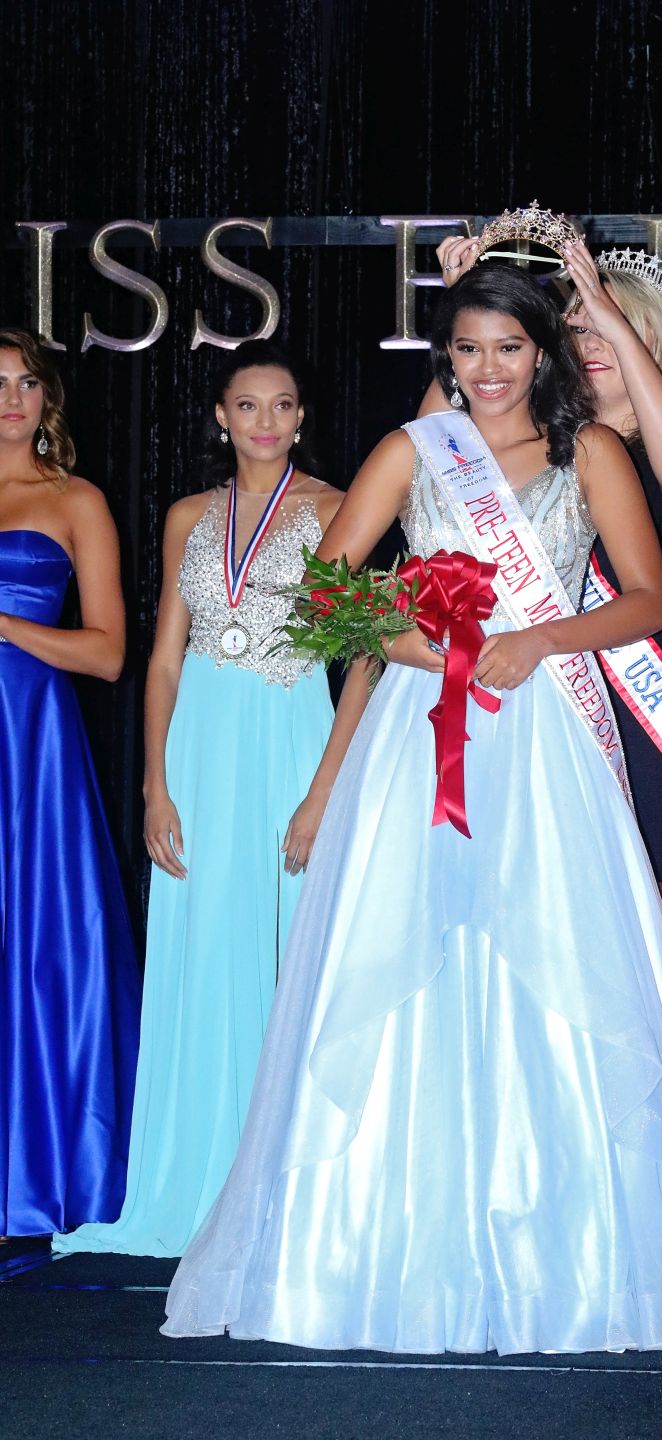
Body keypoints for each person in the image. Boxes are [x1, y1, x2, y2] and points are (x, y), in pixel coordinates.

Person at [162, 264, 662, 1353]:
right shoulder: (412, 451)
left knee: (554, 960)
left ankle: (569, 1253)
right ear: (446, 354)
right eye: (469, 349)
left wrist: (541, 638)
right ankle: (382, 1248)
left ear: (542, 353)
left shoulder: (592, 453)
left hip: (549, 735)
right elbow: (322, 593)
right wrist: (419, 649)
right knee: (410, 954)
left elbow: (650, 600)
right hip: (423, 735)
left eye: (510, 348)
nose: (489, 370)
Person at [55, 341, 343, 1259]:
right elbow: (165, 660)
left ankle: (287, 1191)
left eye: (282, 404)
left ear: (302, 417)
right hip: (201, 749)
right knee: (205, 946)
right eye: (247, 405)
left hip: (293, 735)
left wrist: (323, 791)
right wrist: (154, 782)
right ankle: (198, 1177)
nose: (266, 421)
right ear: (221, 417)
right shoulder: (188, 515)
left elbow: (367, 657)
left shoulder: (336, 507)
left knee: (290, 945)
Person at [431, 234, 662, 929]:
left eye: (614, 323)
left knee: (639, 957)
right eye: (575, 328)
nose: (593, 338)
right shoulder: (538, 448)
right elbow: (431, 463)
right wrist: (465, 305)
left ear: (654, 343)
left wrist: (607, 314)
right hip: (542, 715)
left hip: (647, 717)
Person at [0, 327, 140, 1236]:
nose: (11, 399)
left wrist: (7, 628)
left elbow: (109, 654)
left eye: (25, 383)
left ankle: (35, 1176)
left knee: (36, 948)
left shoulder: (74, 500)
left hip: (30, 746)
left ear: (47, 398)